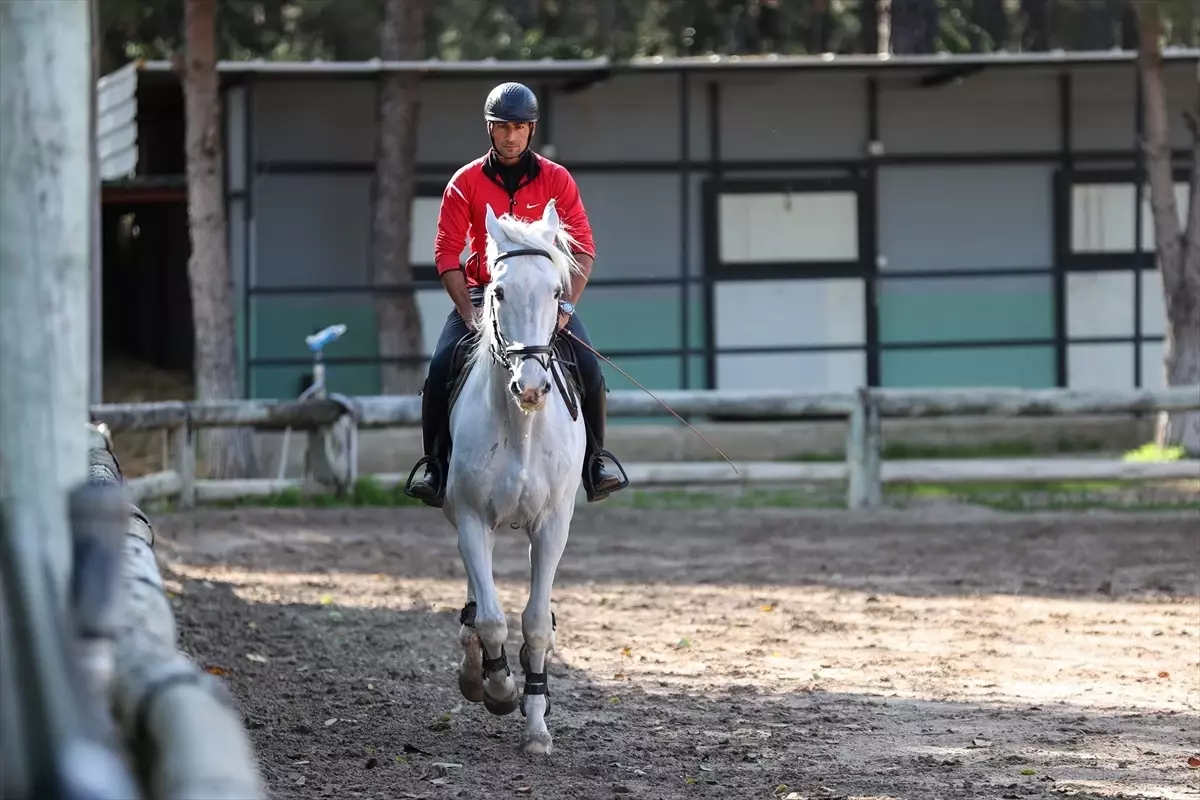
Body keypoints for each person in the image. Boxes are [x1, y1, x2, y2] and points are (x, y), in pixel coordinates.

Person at [403, 81, 626, 508]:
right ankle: (434, 465)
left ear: (532, 129)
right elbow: (447, 251)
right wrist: (467, 310)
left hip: (543, 296)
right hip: (485, 292)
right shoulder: (463, 182)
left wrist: (565, 305)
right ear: (490, 129)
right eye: (503, 127)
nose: (511, 136)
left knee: (588, 366)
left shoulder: (556, 179)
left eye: (520, 127)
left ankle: (596, 463)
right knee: (439, 366)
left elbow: (583, 248)